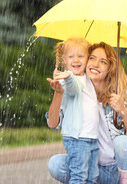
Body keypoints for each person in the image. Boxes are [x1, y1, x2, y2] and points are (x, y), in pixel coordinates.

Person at [47, 42, 127, 184]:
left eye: (103, 62)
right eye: (92, 58)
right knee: (56, 164)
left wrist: (123, 111)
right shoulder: (76, 88)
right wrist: (58, 93)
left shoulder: (124, 92)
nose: (96, 64)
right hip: (99, 170)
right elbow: (53, 124)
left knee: (122, 142)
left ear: (110, 68)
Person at [46, 37, 100, 184]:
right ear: (64, 59)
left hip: (91, 138)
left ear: (88, 58)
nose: (76, 60)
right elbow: (73, 88)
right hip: (78, 138)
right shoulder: (66, 79)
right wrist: (68, 77)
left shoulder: (87, 78)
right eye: (71, 56)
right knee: (78, 176)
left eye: (81, 56)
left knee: (92, 177)